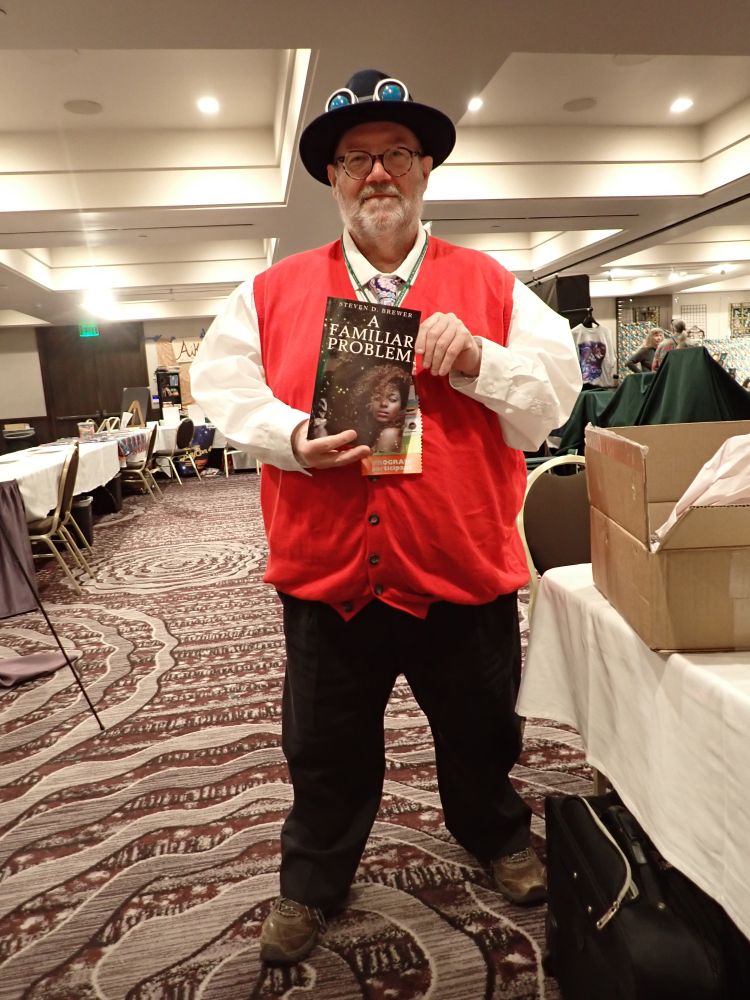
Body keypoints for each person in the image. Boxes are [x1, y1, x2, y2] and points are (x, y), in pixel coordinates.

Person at [191, 68, 582, 965]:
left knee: (483, 732)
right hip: (328, 573)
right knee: (323, 748)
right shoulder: (269, 291)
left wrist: (479, 359)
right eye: (355, 159)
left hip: (460, 569)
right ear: (332, 178)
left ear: (425, 169)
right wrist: (291, 435)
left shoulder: (494, 285)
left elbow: (549, 408)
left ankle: (496, 834)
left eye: (396, 155)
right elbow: (220, 387)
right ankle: (313, 878)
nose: (376, 174)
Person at [350, 363, 412, 452]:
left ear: (403, 405)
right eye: (378, 397)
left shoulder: (389, 433)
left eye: (392, 399)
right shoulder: (375, 432)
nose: (383, 403)